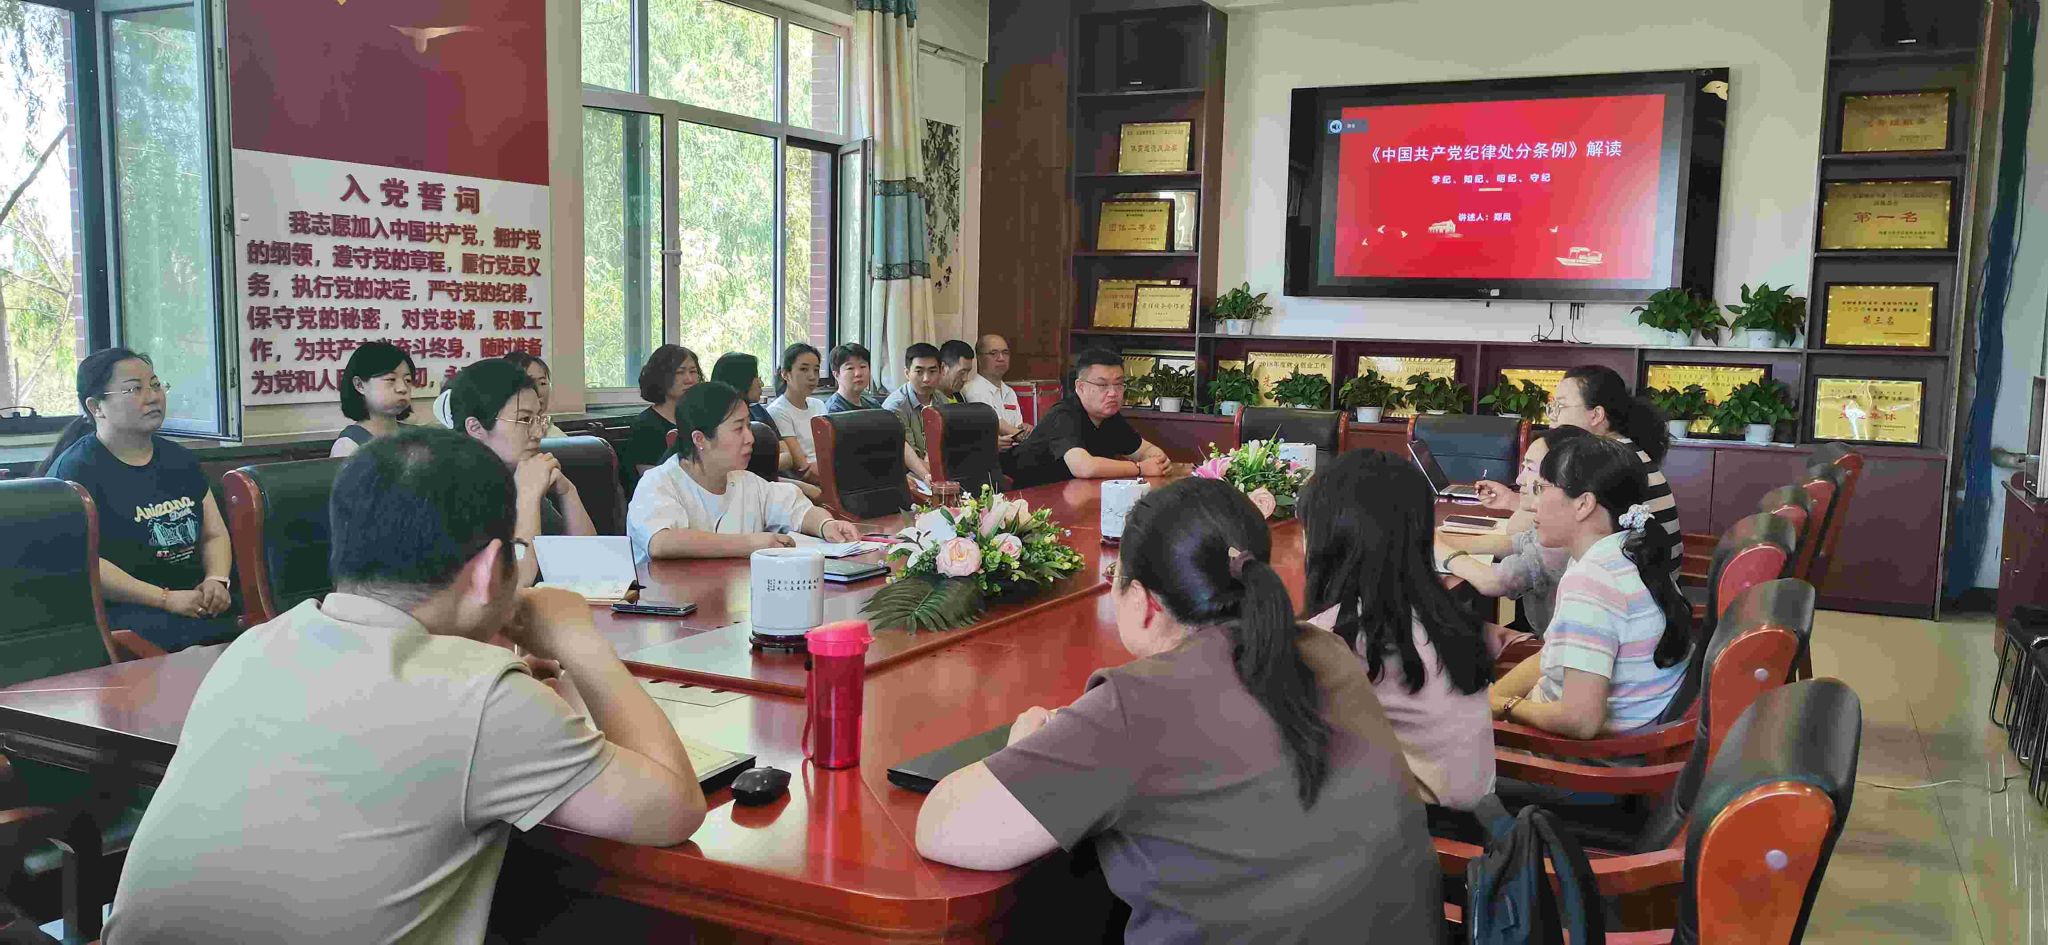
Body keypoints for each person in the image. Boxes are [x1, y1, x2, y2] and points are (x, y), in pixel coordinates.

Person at [103, 428, 705, 942]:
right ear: (487, 570)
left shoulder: (255, 647)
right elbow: (673, 809)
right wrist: (580, 642)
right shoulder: (484, 700)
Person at [915, 477, 1437, 941]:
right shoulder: (1325, 650)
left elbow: (943, 829)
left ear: (1144, 601)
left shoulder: (1134, 706)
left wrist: (1026, 749)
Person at [1298, 450, 1495, 810]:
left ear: (1327, 540)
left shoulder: (1340, 636)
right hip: (1478, 811)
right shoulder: (1438, 611)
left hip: (1429, 828)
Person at [1489, 435, 1691, 739]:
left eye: (1542, 488)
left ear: (1584, 504)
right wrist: (1492, 699)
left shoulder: (1592, 582)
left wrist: (1505, 706)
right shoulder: (1624, 550)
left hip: (1575, 757)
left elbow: (1580, 721)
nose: (1532, 504)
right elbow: (1551, 656)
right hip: (1616, 736)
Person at [35, 348, 237, 651]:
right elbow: (84, 562)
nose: (153, 397)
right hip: (127, 616)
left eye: (155, 385)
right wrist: (166, 599)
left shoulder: (180, 459)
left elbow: (214, 533)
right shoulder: (75, 471)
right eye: (134, 389)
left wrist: (216, 581)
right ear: (96, 407)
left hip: (195, 601)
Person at [627, 381, 861, 561]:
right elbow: (660, 542)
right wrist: (751, 544)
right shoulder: (659, 483)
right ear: (700, 439)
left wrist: (825, 525)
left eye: (748, 426)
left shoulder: (746, 482)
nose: (750, 438)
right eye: (738, 429)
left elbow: (796, 509)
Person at [1474, 366, 1680, 563]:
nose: (1552, 418)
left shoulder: (1604, 462)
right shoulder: (1622, 450)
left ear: (1596, 415)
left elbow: (1519, 529)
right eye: (1552, 407)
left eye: (1560, 407)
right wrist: (1512, 501)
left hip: (1623, 584)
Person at [448, 359, 597, 587]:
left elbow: (590, 563)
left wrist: (568, 492)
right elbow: (513, 582)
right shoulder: (453, 490)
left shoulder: (516, 475)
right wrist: (527, 497)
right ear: (475, 428)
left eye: (539, 419)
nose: (538, 432)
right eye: (525, 419)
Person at [1440, 426, 1592, 635]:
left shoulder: (1563, 534)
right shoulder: (1560, 521)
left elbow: (1496, 581)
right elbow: (1516, 541)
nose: (1520, 480)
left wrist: (1444, 553)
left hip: (1548, 642)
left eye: (1530, 469)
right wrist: (1441, 539)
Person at [1002, 348, 1170, 488]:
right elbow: (1084, 467)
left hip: (1070, 493)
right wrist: (1140, 468)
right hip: (1026, 498)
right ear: (1080, 387)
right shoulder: (1063, 415)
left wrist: (1158, 462)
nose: (1113, 393)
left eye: (1118, 384)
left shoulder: (1109, 417)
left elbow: (1147, 451)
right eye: (1102, 385)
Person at [620, 344, 701, 491]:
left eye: (693, 371)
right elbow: (653, 482)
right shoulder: (645, 426)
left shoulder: (700, 418)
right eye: (680, 372)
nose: (689, 379)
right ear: (661, 377)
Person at [881, 342, 956, 479]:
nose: (926, 379)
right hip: (907, 476)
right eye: (919, 372)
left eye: (932, 371)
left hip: (940, 472)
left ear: (941, 371)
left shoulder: (942, 400)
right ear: (907, 373)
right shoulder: (895, 407)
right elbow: (906, 456)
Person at [331, 341, 417, 457]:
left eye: (407, 380)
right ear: (360, 385)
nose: (403, 388)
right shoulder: (348, 446)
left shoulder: (418, 436)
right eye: (391, 379)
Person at [933, 339, 1015, 451]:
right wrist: (986, 444)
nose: (965, 378)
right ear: (943, 368)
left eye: (968, 372)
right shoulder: (932, 399)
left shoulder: (960, 397)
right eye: (962, 372)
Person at [766, 342, 828, 484]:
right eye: (804, 369)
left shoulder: (818, 405)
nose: (812, 376)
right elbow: (801, 467)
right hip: (807, 480)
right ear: (785, 374)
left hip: (830, 470)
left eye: (816, 370)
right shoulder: (778, 411)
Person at [959, 333, 1030, 440]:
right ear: (979, 358)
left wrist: (1025, 430)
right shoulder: (972, 389)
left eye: (1005, 353)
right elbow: (996, 424)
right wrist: (1024, 436)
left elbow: (1017, 427)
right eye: (993, 353)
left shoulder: (1010, 392)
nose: (1001, 358)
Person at [501, 350, 570, 438]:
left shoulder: (555, 435)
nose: (539, 392)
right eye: (529, 384)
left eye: (543, 383)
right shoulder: (498, 435)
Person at [710, 352, 776, 428]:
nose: (761, 384)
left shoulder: (758, 410)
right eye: (756, 377)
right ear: (742, 381)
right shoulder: (722, 420)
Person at [822, 342, 887, 413]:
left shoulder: (874, 405)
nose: (858, 373)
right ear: (836, 375)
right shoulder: (833, 411)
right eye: (850, 368)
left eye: (863, 366)